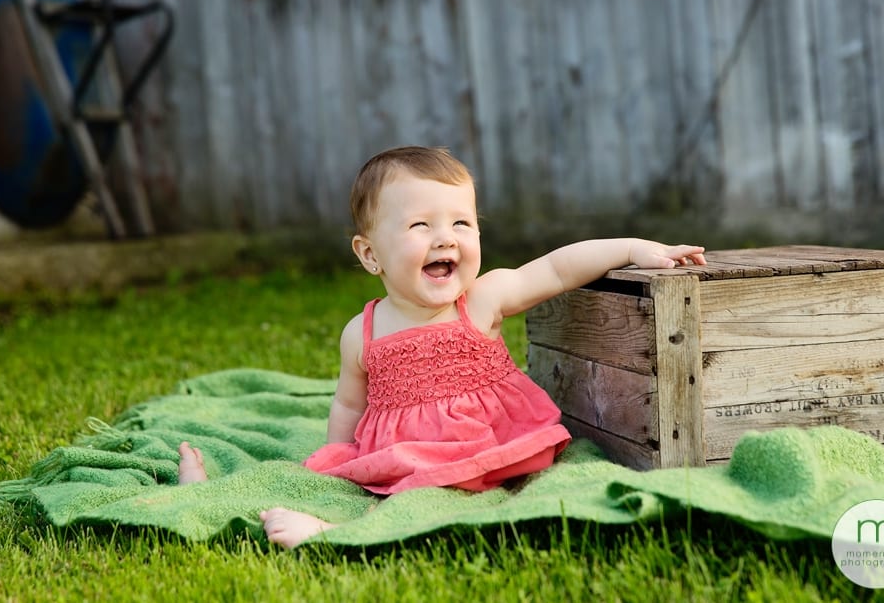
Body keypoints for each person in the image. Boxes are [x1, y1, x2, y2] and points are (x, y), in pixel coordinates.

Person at [177, 145, 706, 547]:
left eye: (461, 222)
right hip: (397, 456)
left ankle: (331, 532)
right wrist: (339, 458)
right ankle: (209, 494)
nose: (446, 237)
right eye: (419, 225)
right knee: (307, 478)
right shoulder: (361, 331)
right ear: (370, 254)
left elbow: (557, 266)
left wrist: (636, 247)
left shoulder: (480, 300)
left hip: (479, 446)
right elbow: (348, 403)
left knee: (431, 500)